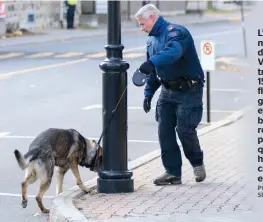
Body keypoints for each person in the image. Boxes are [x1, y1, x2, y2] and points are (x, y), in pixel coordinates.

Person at [134, 4, 206, 185]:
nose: (141, 29)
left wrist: (151, 62)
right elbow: (154, 69)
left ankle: (197, 163)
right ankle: (173, 173)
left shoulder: (177, 33)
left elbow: (173, 53)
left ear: (152, 18)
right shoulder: (151, 41)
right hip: (167, 90)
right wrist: (149, 92)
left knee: (184, 130)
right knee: (164, 131)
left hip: (189, 89)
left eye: (142, 24)